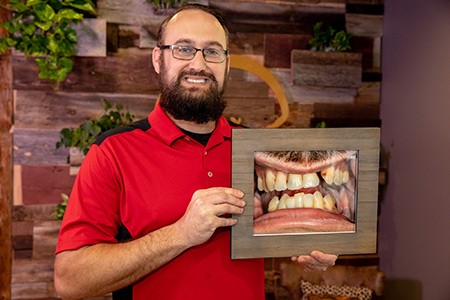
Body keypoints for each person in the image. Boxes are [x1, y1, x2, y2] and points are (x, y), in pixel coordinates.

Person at [54, 4, 337, 299]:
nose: (199, 65)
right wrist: (181, 234)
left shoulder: (260, 152)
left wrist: (311, 257)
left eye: (212, 52)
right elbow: (70, 281)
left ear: (226, 64)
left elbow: (286, 246)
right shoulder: (113, 151)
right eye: (184, 49)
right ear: (158, 58)